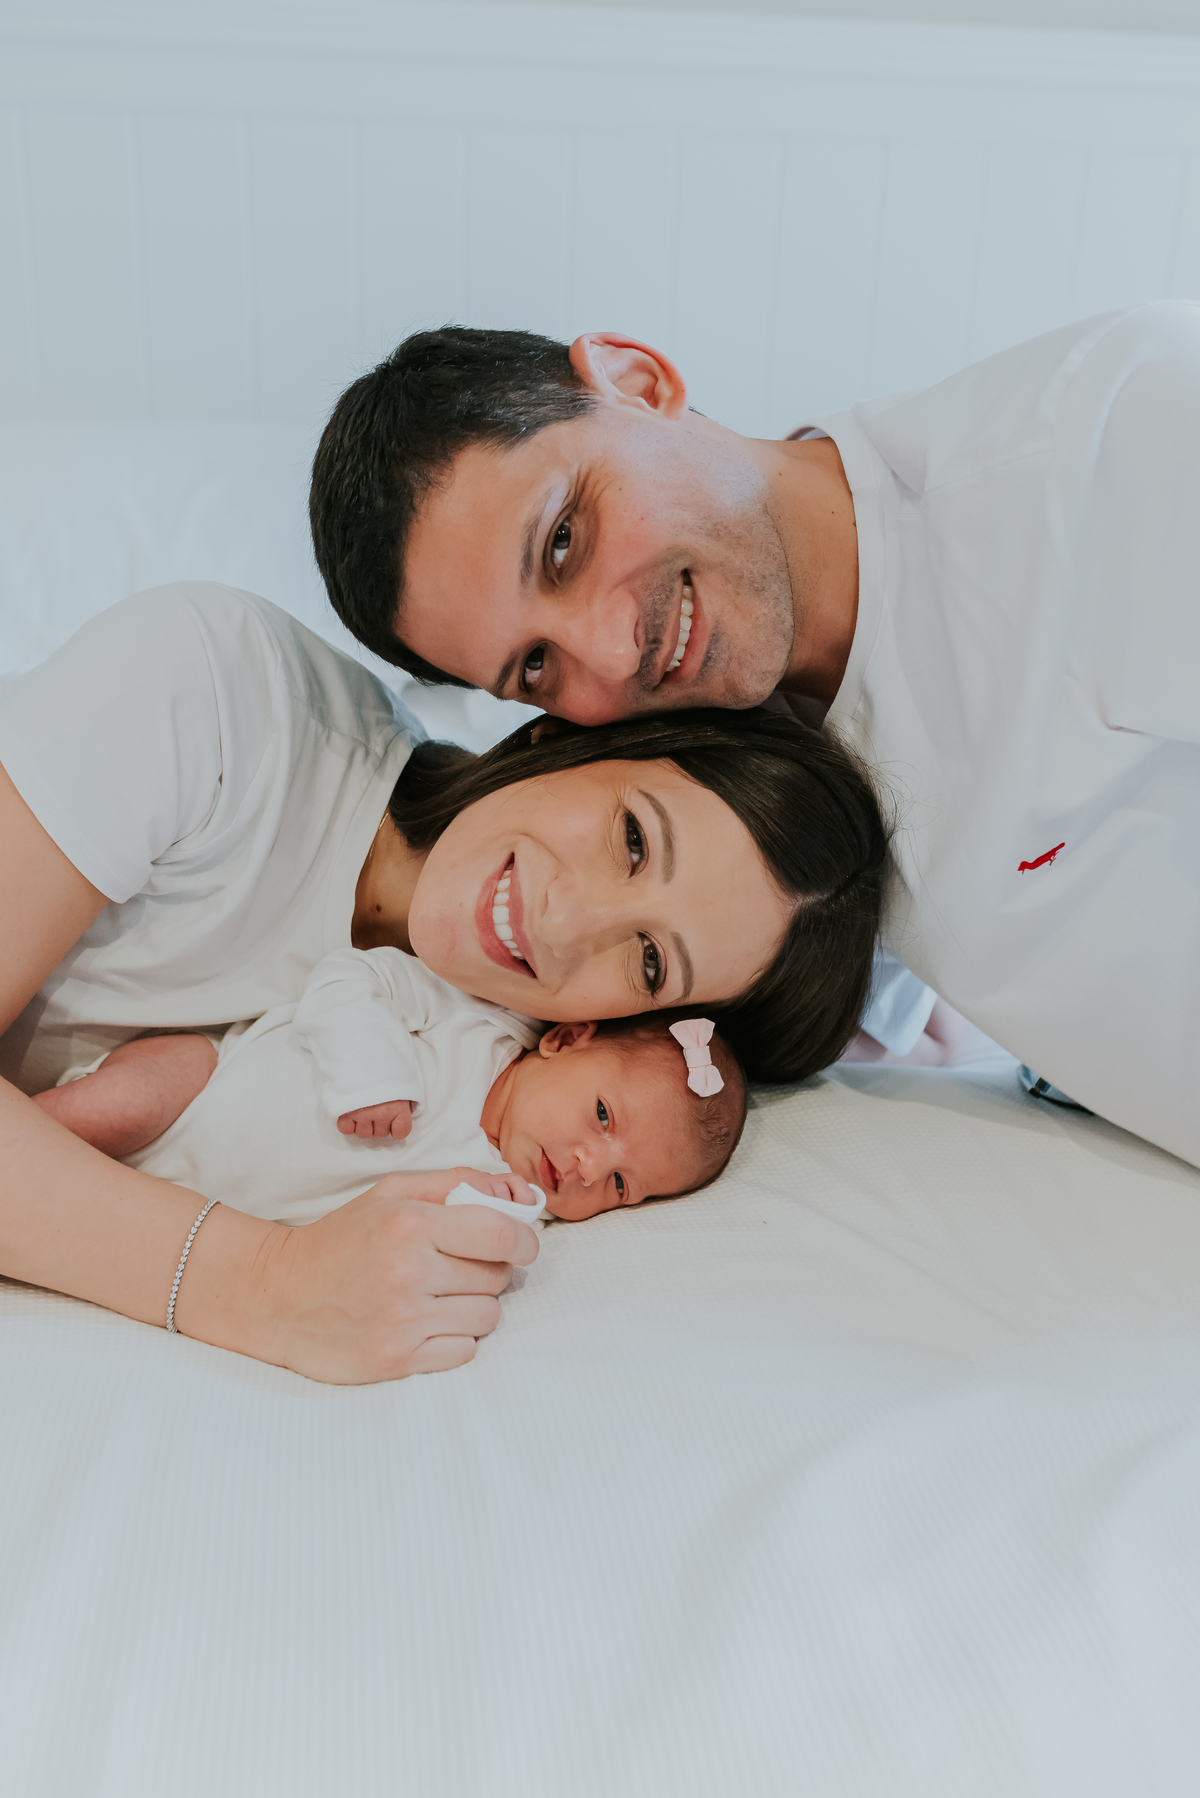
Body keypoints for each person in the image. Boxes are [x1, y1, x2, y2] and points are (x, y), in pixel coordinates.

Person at [309, 306, 1200, 1169]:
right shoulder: (731, 825)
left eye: (565, 542)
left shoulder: (1112, 447)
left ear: (635, 379)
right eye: (536, 666)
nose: (617, 651)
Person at [0, 582, 886, 1382]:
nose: (564, 922)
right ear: (574, 741)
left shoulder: (497, 1090)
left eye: (649, 963)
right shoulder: (216, 695)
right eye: (632, 840)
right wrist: (261, 1283)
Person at [33, 939, 747, 1225]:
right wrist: (371, 1068)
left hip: (187, 1212)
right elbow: (352, 976)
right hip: (202, 1089)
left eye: (623, 1186)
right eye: (602, 1115)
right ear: (564, 1039)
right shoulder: (475, 1020)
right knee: (107, 1110)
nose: (592, 1168)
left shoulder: (512, 1200)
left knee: (59, 1216)